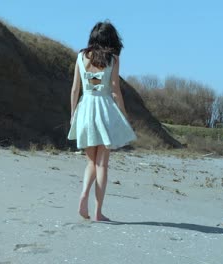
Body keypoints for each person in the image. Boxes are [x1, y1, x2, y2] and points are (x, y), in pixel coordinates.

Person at [67, 21, 137, 221]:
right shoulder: (113, 60)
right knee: (102, 165)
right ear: (111, 39)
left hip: (86, 110)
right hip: (104, 110)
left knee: (90, 162)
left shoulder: (81, 57)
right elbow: (115, 90)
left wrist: (73, 114)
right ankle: (97, 212)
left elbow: (75, 89)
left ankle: (83, 196)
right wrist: (123, 114)